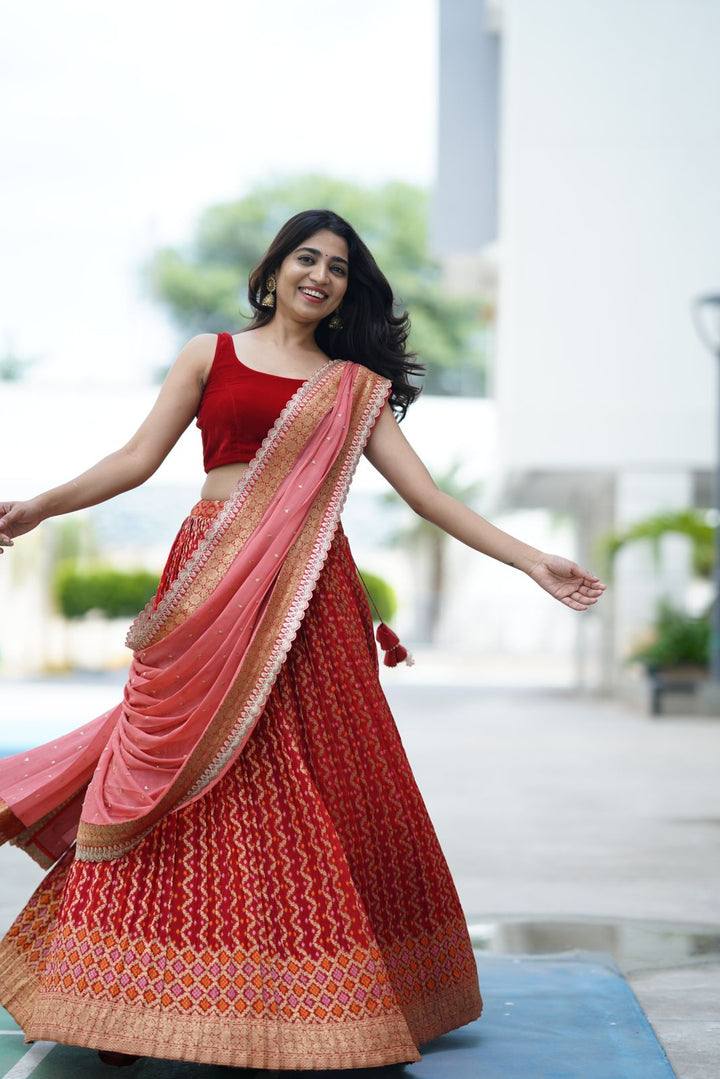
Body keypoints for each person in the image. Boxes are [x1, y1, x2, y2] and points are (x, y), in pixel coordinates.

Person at [0, 209, 605, 1072]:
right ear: (275, 267)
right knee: (168, 771)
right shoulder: (209, 354)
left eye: (339, 269)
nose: (320, 276)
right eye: (306, 259)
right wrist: (38, 505)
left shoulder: (354, 387)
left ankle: (315, 992)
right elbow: (136, 459)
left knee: (303, 781)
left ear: (348, 291)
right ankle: (115, 994)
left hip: (309, 593)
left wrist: (532, 559)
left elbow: (429, 497)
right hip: (208, 581)